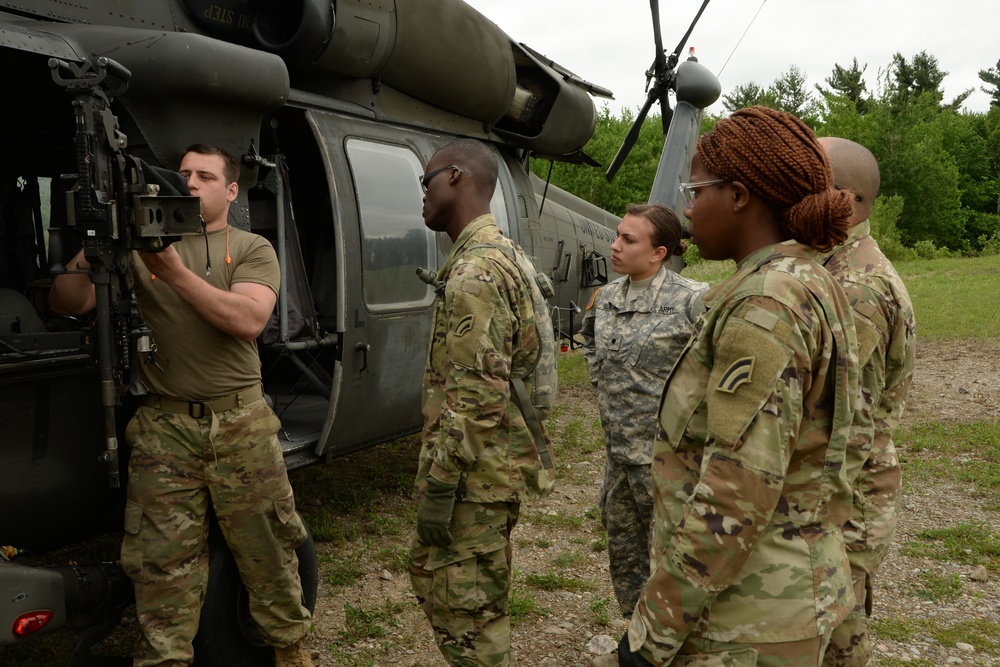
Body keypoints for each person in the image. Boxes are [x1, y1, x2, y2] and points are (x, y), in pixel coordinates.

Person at [594, 106, 862, 667]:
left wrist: (655, 629)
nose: (687, 209)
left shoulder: (765, 303)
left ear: (739, 196)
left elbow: (737, 491)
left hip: (748, 618)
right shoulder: (812, 277)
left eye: (697, 191)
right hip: (792, 589)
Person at [49, 144, 315, 667]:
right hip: (163, 424)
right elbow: (68, 301)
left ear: (231, 190)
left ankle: (289, 649)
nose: (191, 182)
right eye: (184, 173)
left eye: (205, 176)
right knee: (160, 562)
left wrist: (171, 271)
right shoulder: (137, 248)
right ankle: (165, 659)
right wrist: (101, 238)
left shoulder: (251, 246)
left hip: (240, 421)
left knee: (268, 550)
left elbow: (248, 320)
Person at [408, 138, 554, 666]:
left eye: (424, 182)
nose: (420, 195)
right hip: (491, 467)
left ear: (454, 177)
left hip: (475, 475)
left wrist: (442, 482)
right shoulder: (500, 254)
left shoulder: (475, 272)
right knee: (454, 589)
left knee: (466, 617)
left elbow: (476, 394)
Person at [581, 202, 708, 619]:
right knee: (625, 558)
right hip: (618, 459)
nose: (614, 245)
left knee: (672, 564)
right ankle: (635, 640)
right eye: (617, 235)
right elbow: (592, 345)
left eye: (628, 239)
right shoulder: (606, 297)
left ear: (659, 253)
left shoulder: (693, 302)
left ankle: (671, 645)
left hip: (668, 465)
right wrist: (604, 380)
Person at [818, 137, 916, 667]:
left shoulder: (854, 285)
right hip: (843, 489)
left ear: (843, 199)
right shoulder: (839, 269)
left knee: (834, 635)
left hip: (845, 494)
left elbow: (844, 417)